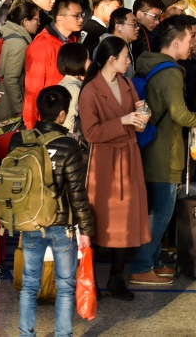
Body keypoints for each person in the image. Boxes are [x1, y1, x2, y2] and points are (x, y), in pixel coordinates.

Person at [13, 86, 95, 337]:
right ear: (62, 114)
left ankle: (26, 333)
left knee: (29, 284)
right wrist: (86, 230)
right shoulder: (68, 145)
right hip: (62, 225)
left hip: (30, 222)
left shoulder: (21, 139)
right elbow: (77, 194)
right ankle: (63, 334)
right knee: (65, 285)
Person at [78, 35, 150, 300]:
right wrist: (123, 120)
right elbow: (90, 133)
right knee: (100, 221)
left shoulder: (128, 84)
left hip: (128, 156)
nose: (128, 61)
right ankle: (91, 279)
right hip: (104, 161)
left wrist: (141, 118)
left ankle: (117, 277)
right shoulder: (90, 91)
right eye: (125, 57)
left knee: (126, 220)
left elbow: (136, 117)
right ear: (111, 59)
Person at [129, 16, 196, 285]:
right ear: (177, 41)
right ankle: (142, 265)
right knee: (160, 212)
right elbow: (180, 114)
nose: (192, 44)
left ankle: (154, 262)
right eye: (190, 39)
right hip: (164, 151)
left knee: (156, 210)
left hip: (151, 146)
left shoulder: (150, 63)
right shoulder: (170, 72)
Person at [23, 0, 83, 129]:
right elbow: (32, 90)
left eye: (81, 15)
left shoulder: (72, 41)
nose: (81, 19)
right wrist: (30, 126)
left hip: (69, 114)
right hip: (50, 121)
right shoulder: (42, 45)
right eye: (76, 16)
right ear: (60, 18)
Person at [0, 0, 41, 122]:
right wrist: (19, 109)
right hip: (7, 106)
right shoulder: (19, 44)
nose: (39, 23)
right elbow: (10, 80)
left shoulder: (11, 36)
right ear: (25, 21)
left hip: (3, 99)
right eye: (36, 19)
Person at [56, 43, 89, 140]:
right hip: (70, 142)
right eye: (88, 58)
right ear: (78, 61)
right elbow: (69, 125)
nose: (91, 62)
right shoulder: (74, 89)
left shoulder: (64, 83)